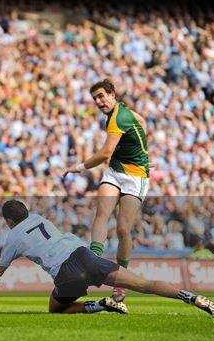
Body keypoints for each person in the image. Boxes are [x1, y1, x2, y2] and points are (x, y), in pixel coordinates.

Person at [0, 200, 214, 316]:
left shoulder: (12, 237)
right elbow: (36, 246)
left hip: (67, 272)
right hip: (84, 255)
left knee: (55, 308)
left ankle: (101, 305)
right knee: (145, 284)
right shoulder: (38, 218)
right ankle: (193, 298)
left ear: (8, 221)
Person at [63, 78, 150, 302]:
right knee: (101, 214)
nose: (99, 101)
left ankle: (121, 282)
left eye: (101, 96)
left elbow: (104, 154)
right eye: (95, 99)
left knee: (122, 229)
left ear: (112, 94)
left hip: (136, 177)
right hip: (115, 173)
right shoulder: (120, 112)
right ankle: (93, 263)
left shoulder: (118, 117)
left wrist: (79, 167)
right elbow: (141, 120)